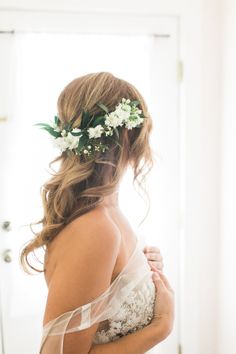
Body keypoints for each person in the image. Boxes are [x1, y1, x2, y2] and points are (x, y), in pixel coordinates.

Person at [20, 72, 174, 354]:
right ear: (128, 132)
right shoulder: (95, 228)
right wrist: (160, 327)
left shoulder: (108, 212)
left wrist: (142, 274)